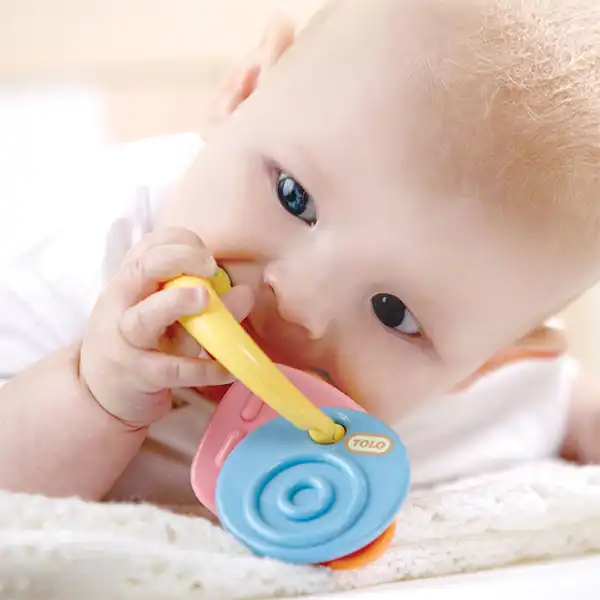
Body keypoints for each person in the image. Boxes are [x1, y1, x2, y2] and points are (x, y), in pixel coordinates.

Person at [1, 0, 599, 509]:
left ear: (488, 363)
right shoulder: (69, 255)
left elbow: (553, 408)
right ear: (244, 91)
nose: (300, 304)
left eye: (393, 312)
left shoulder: (474, 396)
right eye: (295, 197)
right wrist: (95, 393)